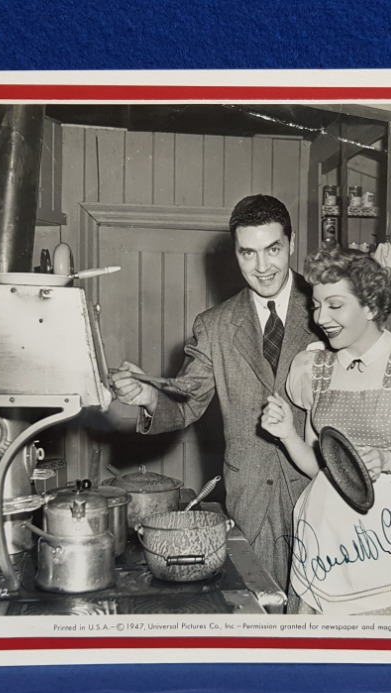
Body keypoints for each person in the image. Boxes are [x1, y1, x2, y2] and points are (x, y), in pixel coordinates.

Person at [110, 195, 320, 594]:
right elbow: (187, 402)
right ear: (236, 253)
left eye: (273, 249)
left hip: (322, 493)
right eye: (248, 253)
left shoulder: (327, 309)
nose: (262, 267)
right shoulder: (216, 325)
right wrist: (148, 396)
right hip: (251, 503)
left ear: (291, 243)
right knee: (261, 616)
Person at [260, 246, 391, 615]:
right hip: (326, 528)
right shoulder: (315, 367)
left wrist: (387, 461)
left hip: (389, 533)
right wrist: (287, 433)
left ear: (370, 306)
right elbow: (318, 467)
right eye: (317, 305)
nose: (320, 317)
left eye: (334, 305)